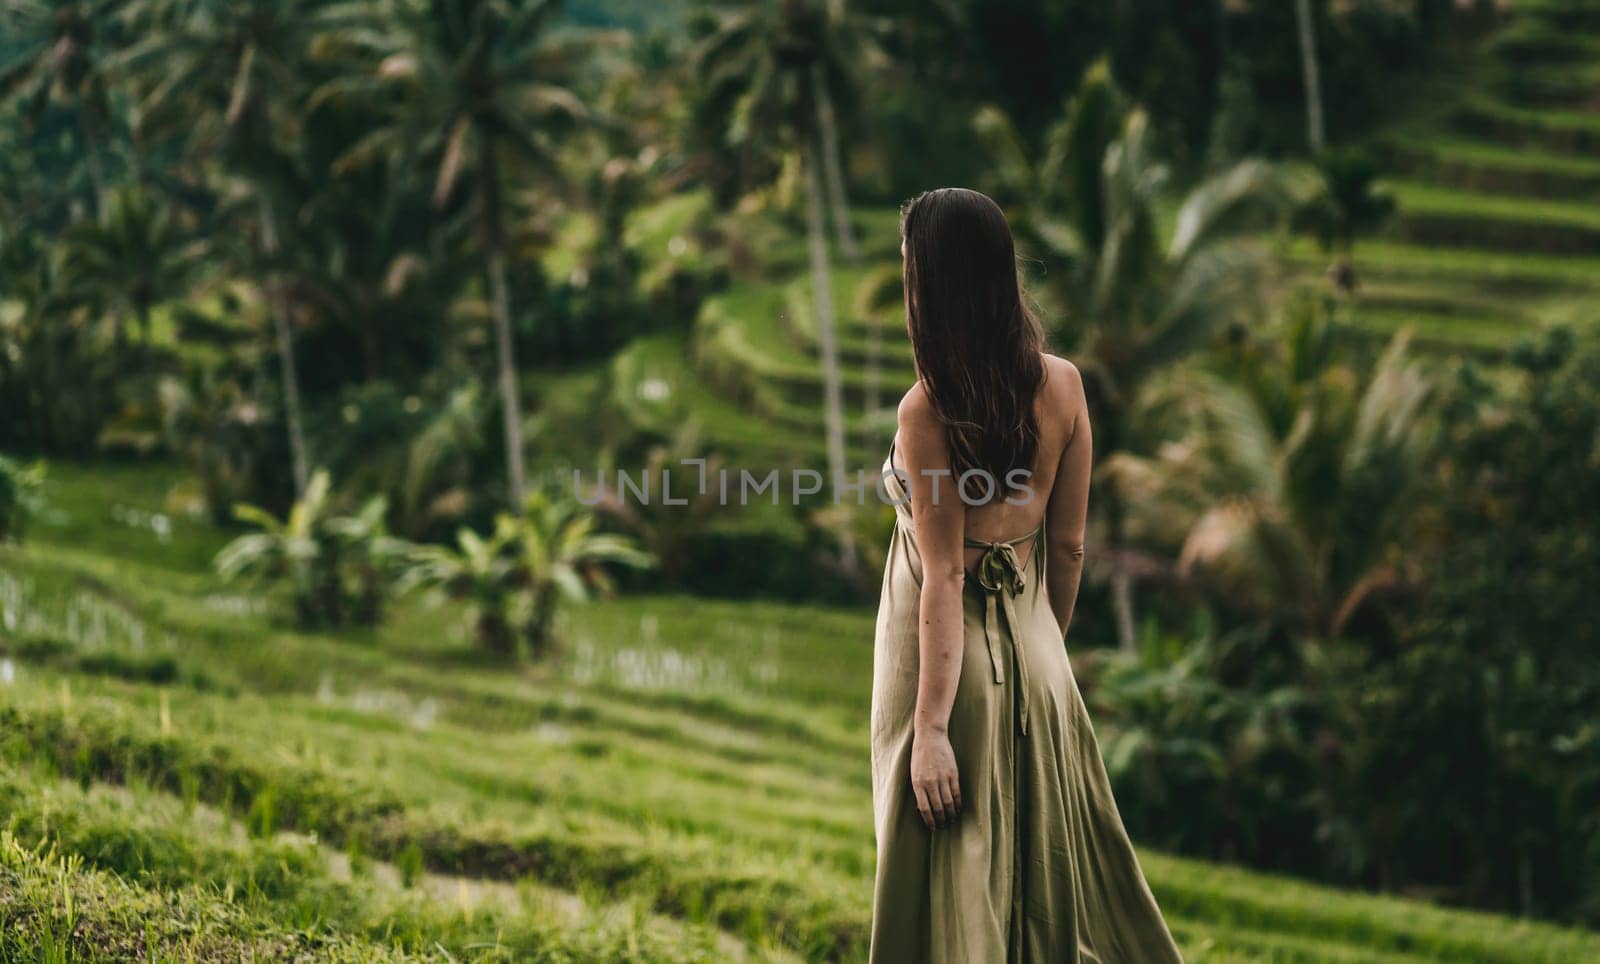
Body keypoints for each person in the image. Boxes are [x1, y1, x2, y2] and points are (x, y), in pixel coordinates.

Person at [869, 187, 1185, 962]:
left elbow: (943, 577)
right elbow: (1068, 547)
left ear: (933, 287)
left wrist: (933, 729)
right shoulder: (1065, 385)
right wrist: (1038, 645)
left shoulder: (927, 411)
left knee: (953, 889)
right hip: (1040, 658)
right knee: (1040, 880)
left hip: (943, 675)